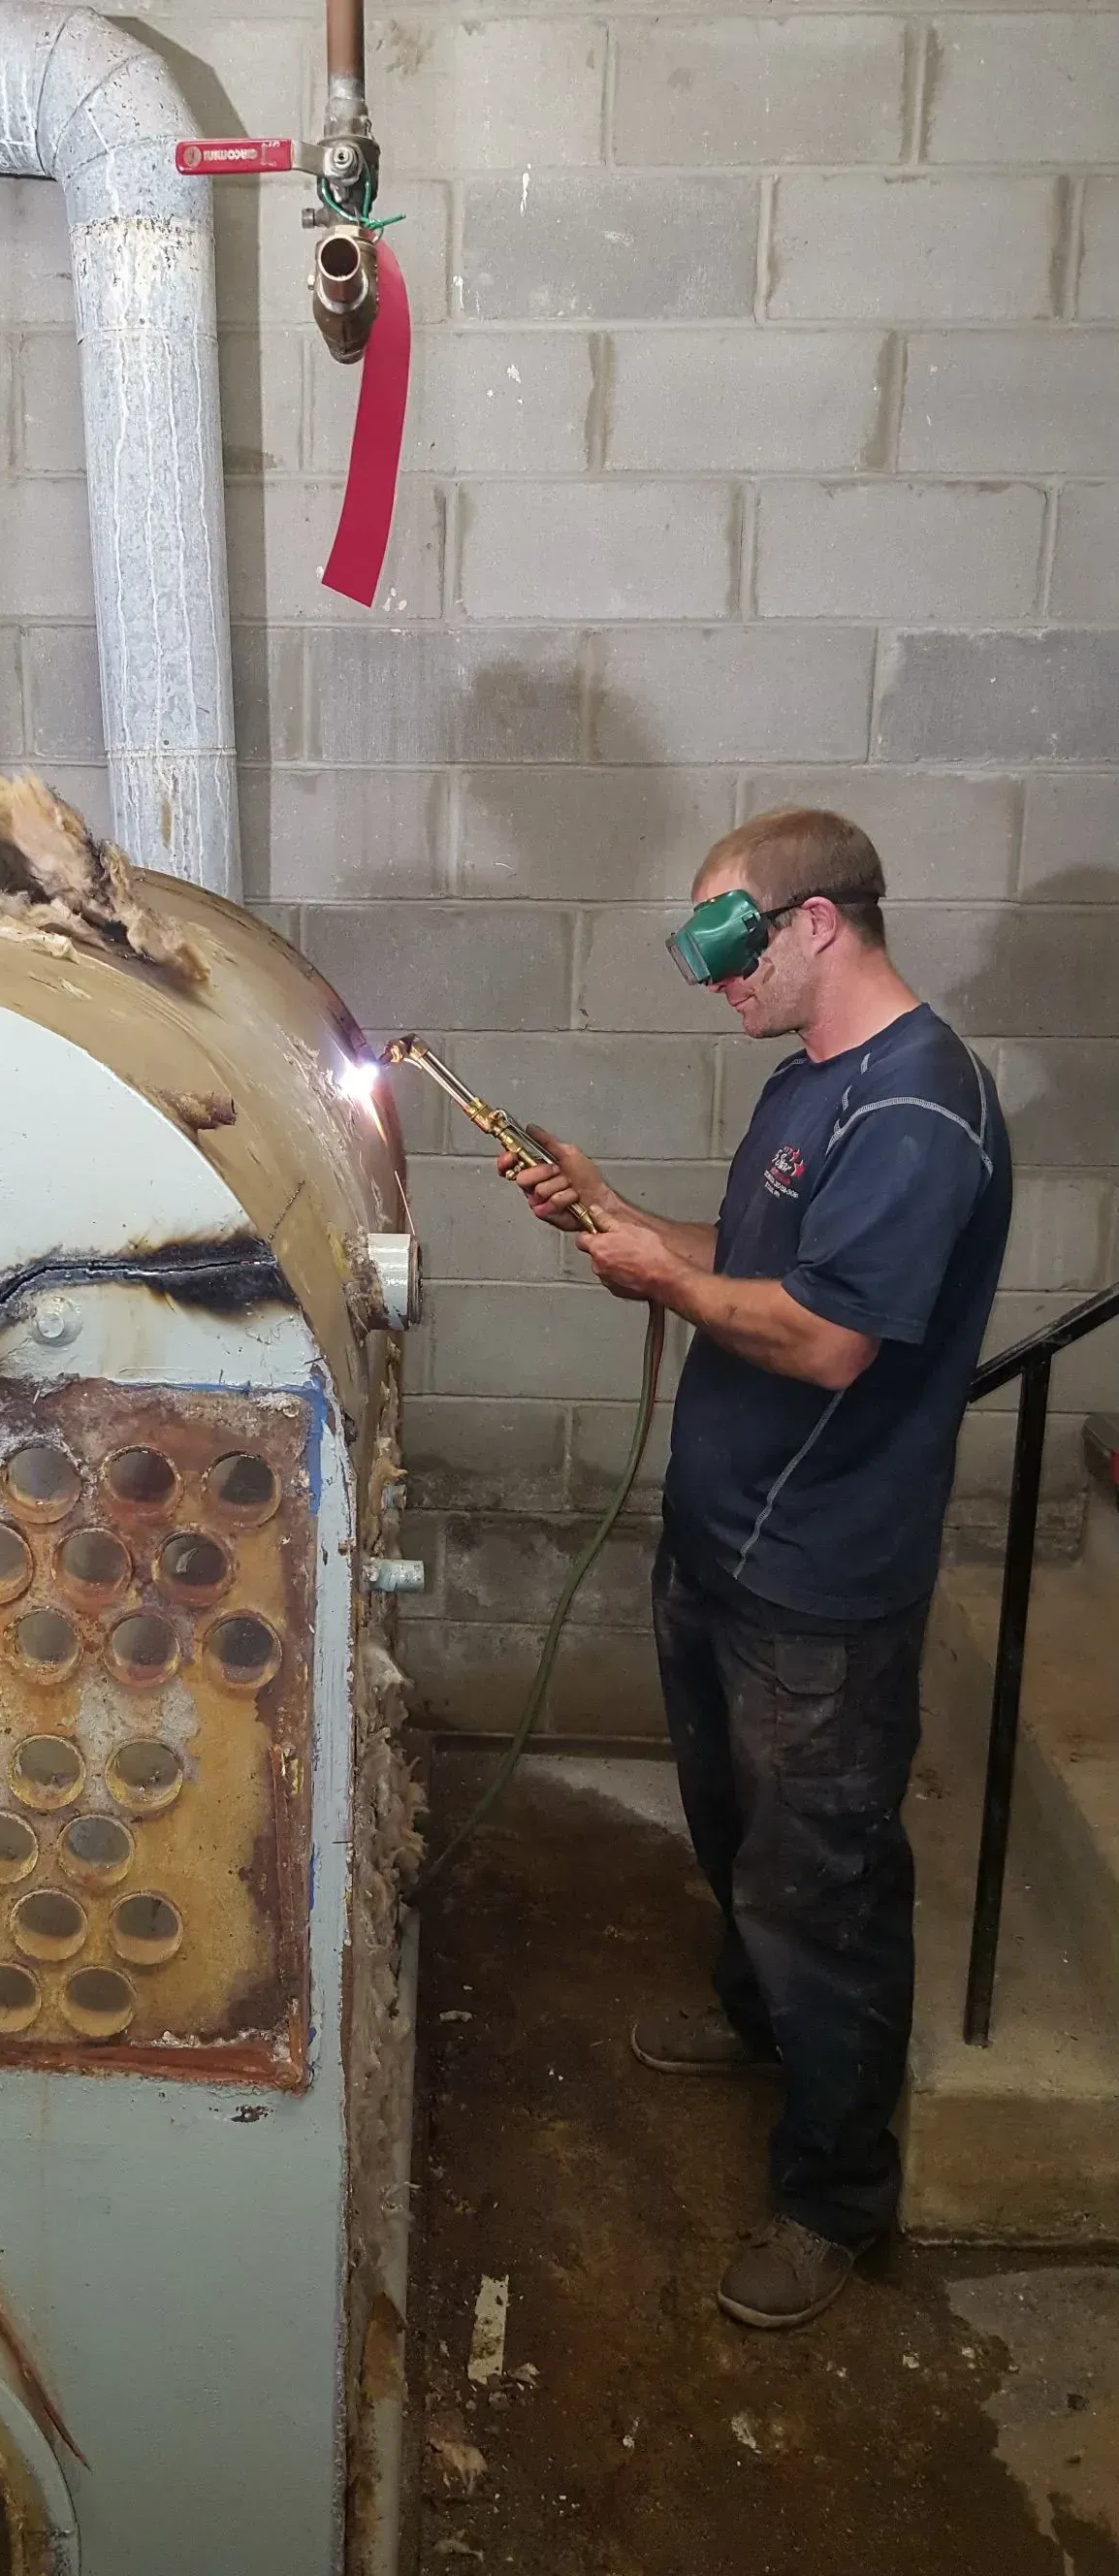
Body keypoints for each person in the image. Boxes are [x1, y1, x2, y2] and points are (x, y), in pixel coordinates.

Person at [501, 807, 1011, 2332]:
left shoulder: (917, 1111)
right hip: (723, 1539)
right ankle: (749, 2019)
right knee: (731, 1827)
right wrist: (615, 1218)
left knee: (825, 1890)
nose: (711, 976)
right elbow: (754, 1264)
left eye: (727, 941)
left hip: (820, 1578)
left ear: (815, 924)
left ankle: (833, 2200)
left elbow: (827, 1337)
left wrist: (666, 1279)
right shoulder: (812, 1084)